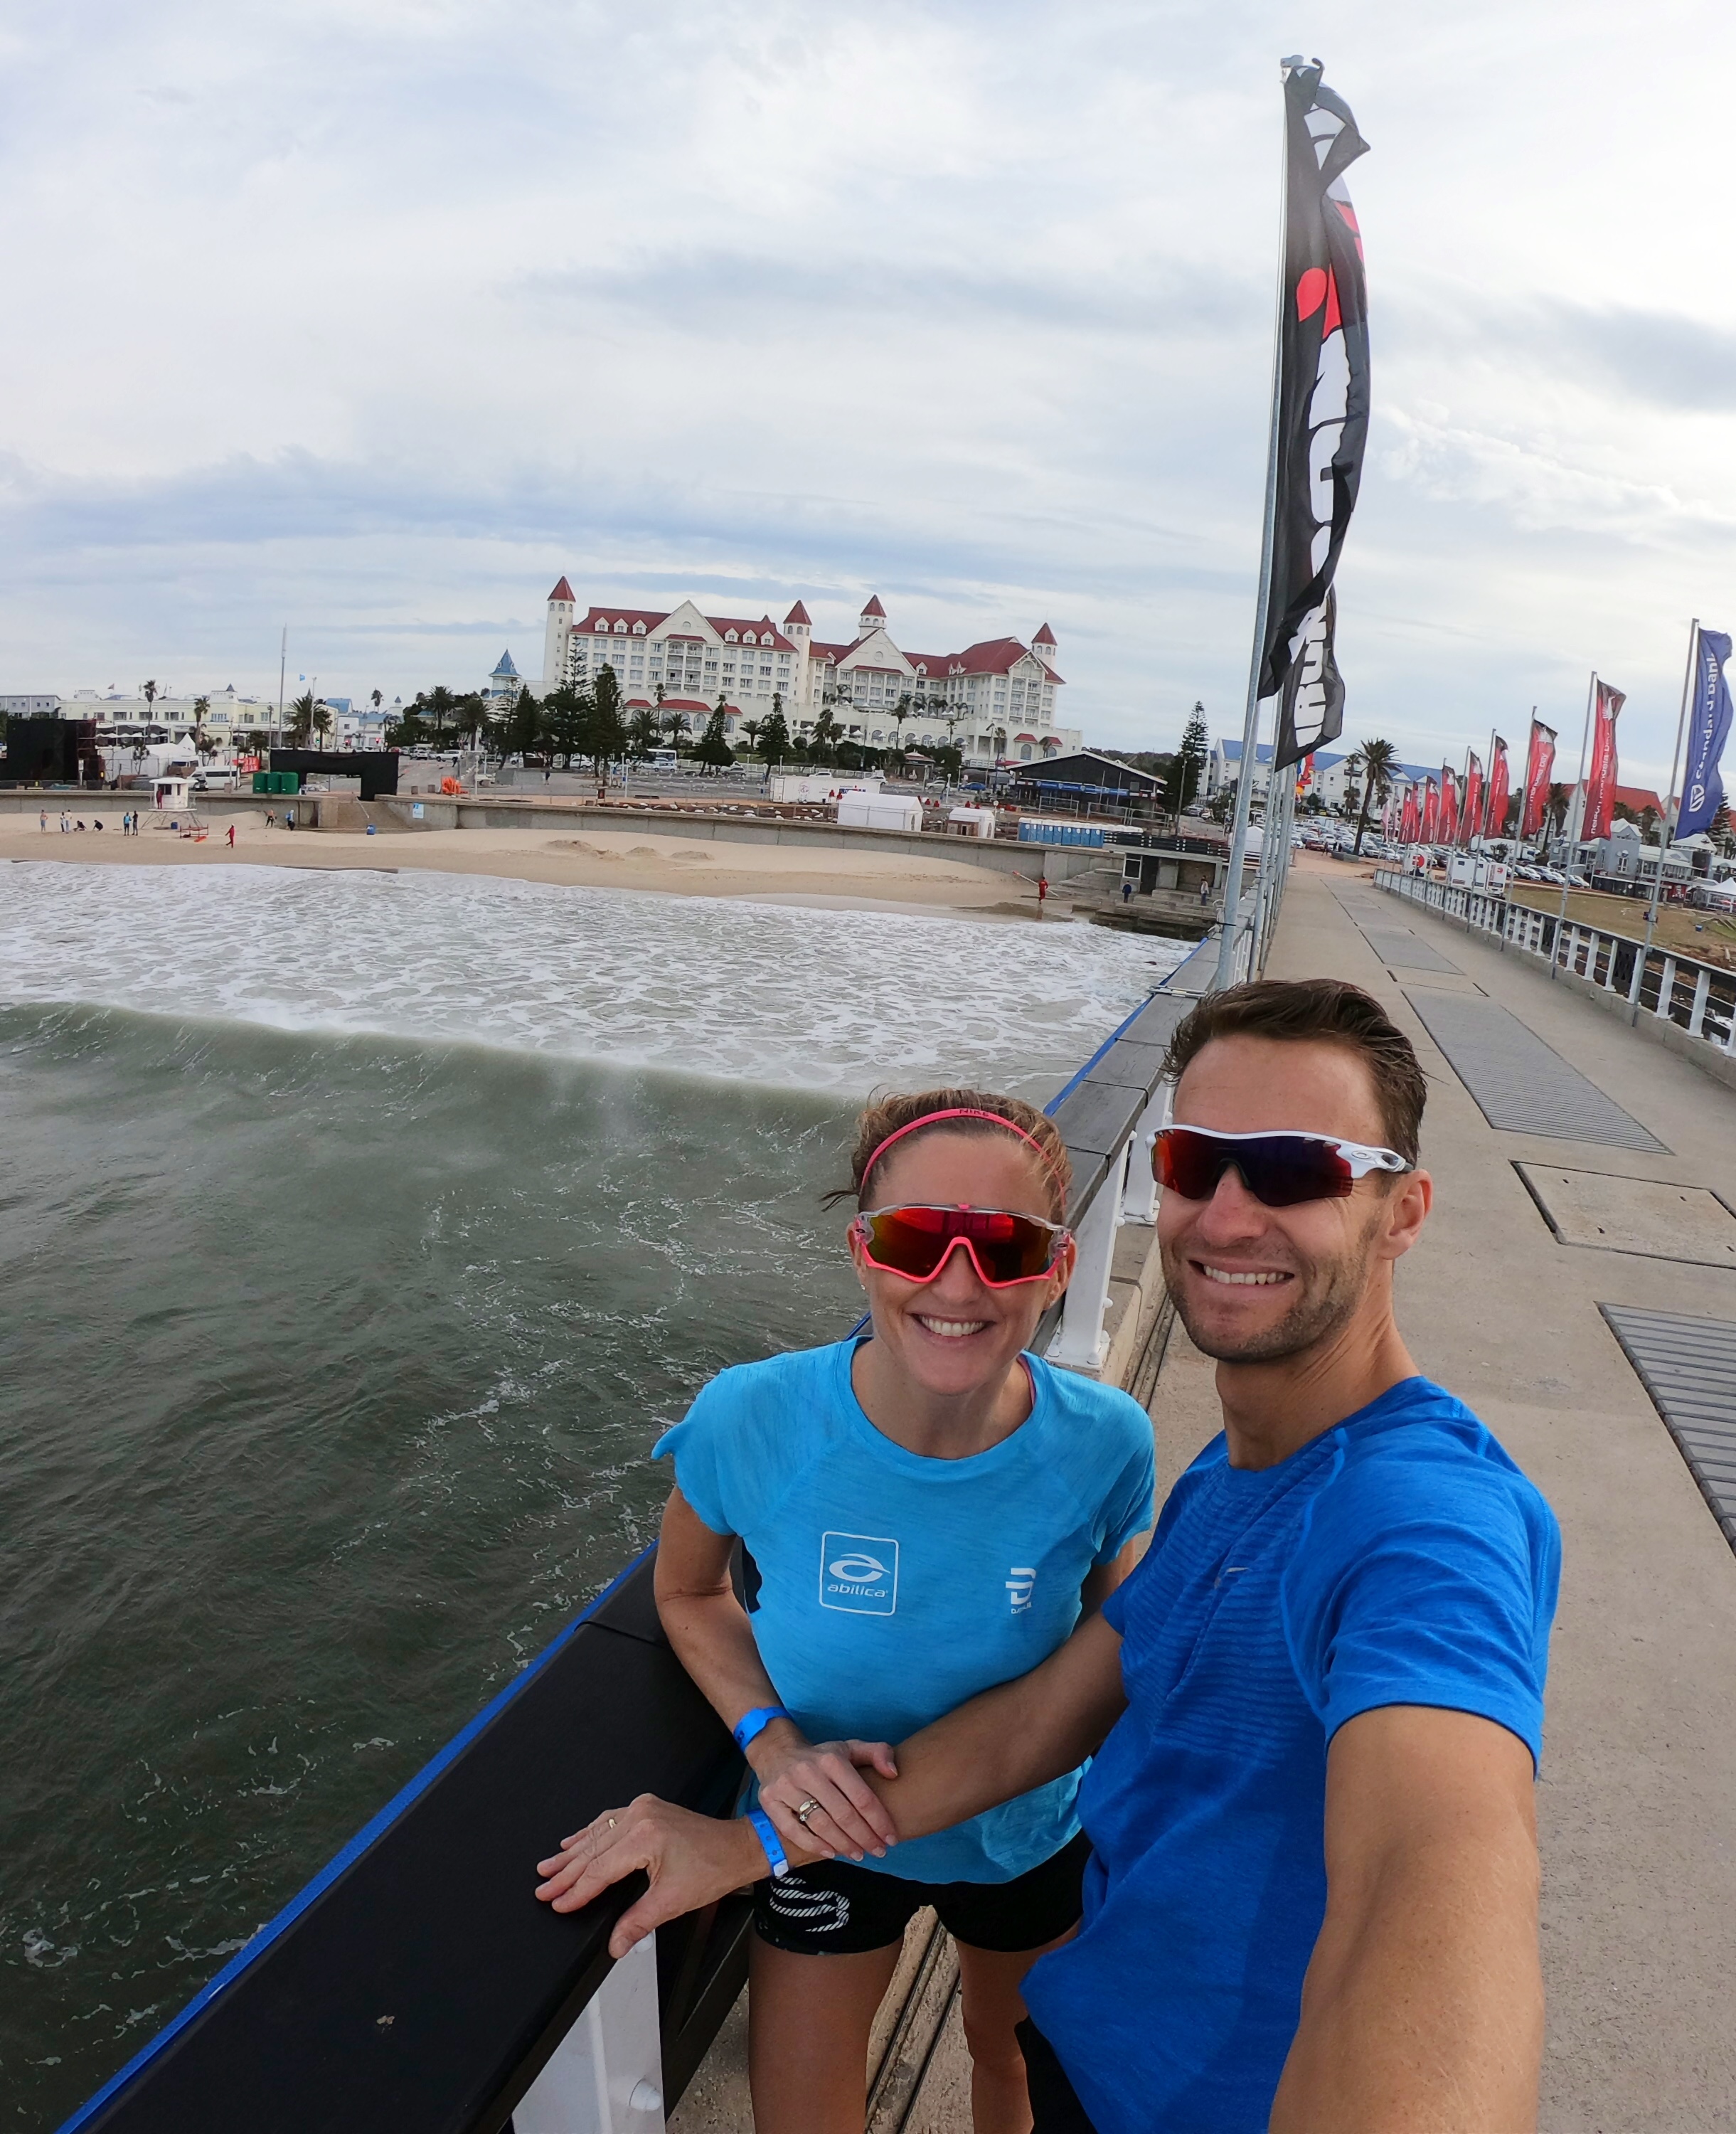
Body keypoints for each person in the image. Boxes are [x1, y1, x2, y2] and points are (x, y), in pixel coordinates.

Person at [537, 980, 1561, 2134]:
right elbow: (1036, 1721)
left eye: (1294, 1169)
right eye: (1193, 1162)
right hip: (1099, 2051)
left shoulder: (1425, 1525)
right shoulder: (1226, 1482)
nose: (1227, 1217)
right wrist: (753, 1834)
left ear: (1404, 1210)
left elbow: (1433, 1884)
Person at [590, 1090, 1155, 2134]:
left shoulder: (1106, 1443)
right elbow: (688, 1590)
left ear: (1058, 1268)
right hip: (822, 1841)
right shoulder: (751, 1416)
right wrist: (771, 1745)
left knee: (1011, 2059)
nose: (957, 1281)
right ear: (861, 1254)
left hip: (1028, 1833)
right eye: (914, 1239)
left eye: (1004, 1246)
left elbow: (1107, 1646)